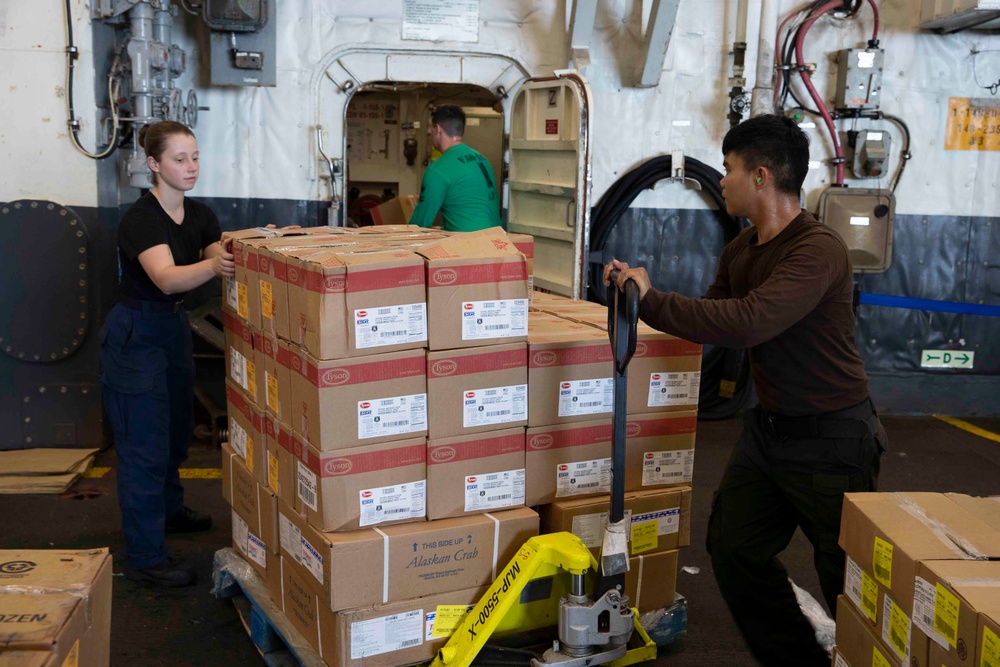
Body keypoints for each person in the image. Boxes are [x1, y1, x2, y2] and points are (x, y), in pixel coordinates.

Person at [604, 114, 886, 666]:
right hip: (771, 433)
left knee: (845, 579)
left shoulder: (817, 249)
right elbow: (713, 316)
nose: (723, 179)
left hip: (833, 437)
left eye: (729, 169)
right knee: (733, 548)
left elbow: (748, 321)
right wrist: (633, 299)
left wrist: (655, 296)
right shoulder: (742, 250)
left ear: (760, 177)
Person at [101, 120, 232, 588]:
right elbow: (169, 278)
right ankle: (146, 556)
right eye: (180, 159)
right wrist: (217, 264)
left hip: (172, 328)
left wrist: (255, 248)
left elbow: (221, 255)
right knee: (144, 447)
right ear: (154, 165)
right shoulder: (142, 219)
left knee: (177, 430)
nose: (191, 167)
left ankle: (170, 512)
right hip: (137, 330)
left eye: (195, 157)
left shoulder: (199, 214)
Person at [408, 105, 502, 232]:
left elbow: (419, 225)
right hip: (497, 242)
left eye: (431, 129)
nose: (430, 133)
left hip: (467, 247)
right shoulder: (483, 160)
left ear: (438, 129)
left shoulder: (437, 170)